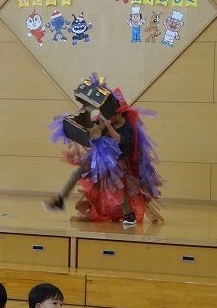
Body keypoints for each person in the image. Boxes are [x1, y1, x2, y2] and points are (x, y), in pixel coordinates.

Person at [44, 76, 163, 226]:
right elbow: (90, 129)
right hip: (99, 157)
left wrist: (109, 127)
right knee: (78, 173)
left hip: (117, 162)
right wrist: (80, 118)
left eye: (110, 115)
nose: (105, 117)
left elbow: (119, 140)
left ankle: (129, 214)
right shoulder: (105, 120)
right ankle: (60, 200)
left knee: (117, 185)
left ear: (119, 114)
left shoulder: (127, 127)